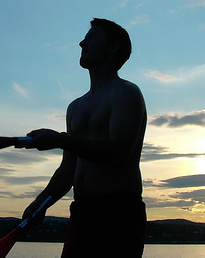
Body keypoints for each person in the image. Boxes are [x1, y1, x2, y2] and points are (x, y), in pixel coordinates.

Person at [16, 18, 147, 257]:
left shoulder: (126, 93)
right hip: (81, 212)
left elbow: (119, 154)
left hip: (119, 213)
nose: (81, 43)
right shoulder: (75, 107)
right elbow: (69, 169)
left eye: (92, 37)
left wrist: (60, 140)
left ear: (113, 47)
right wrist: (42, 203)